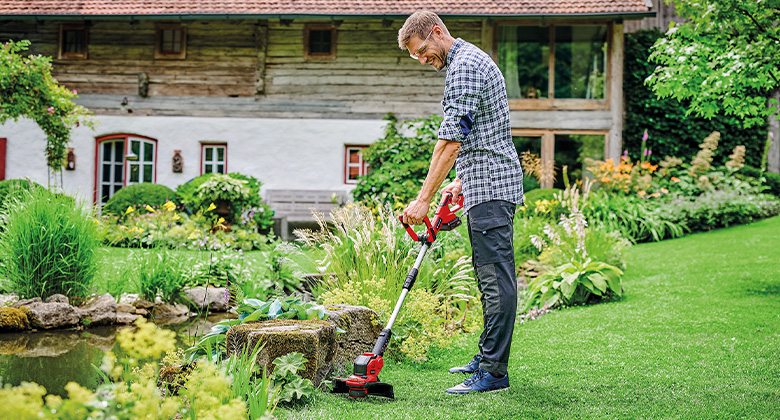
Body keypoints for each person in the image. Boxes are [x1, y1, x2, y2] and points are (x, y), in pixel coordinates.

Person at [397, 11, 524, 394]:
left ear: (436, 32)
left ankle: (494, 373)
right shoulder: (467, 60)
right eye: (415, 57)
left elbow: (451, 141)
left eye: (422, 51)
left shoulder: (464, 66)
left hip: (491, 188)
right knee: (488, 276)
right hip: (482, 183)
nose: (422, 60)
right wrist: (459, 181)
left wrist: (424, 200)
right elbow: (482, 132)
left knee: (495, 278)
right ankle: (487, 357)